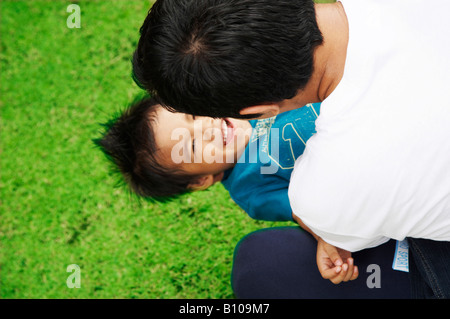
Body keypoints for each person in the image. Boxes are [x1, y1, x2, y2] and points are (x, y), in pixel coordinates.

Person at [132, 0, 450, 298]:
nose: (208, 129)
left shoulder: (324, 197)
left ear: (259, 110)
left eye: (198, 117)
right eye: (192, 145)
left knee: (257, 265)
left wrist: (332, 232)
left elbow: (359, 229)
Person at [95, 96, 410, 297]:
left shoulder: (249, 96)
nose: (206, 128)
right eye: (190, 146)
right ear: (203, 180)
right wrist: (325, 239)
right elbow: (303, 208)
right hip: (384, 180)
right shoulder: (251, 190)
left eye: (192, 115)